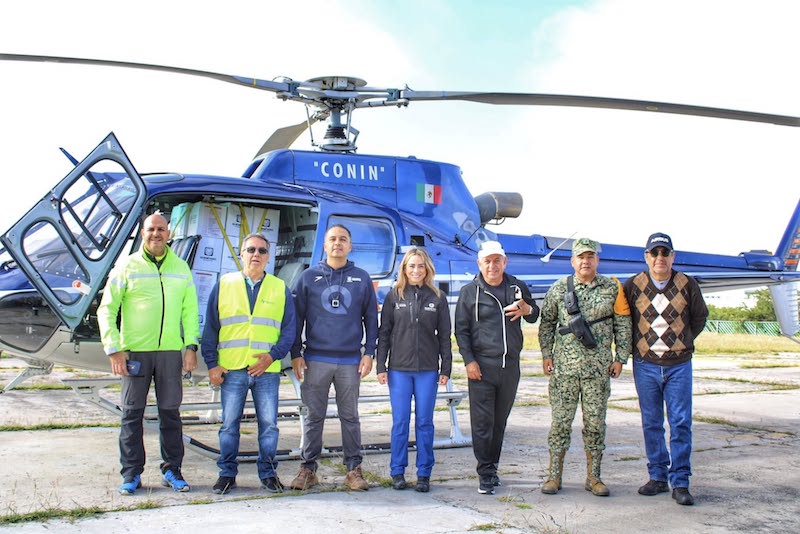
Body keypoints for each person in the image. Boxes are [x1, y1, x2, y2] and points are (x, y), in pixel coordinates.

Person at [97, 212, 200, 495]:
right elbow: (106, 309)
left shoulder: (181, 268)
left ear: (169, 234)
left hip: (169, 353)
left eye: (161, 229)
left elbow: (190, 311)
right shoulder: (126, 267)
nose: (156, 234)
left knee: (170, 413)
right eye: (151, 229)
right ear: (143, 233)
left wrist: (190, 346)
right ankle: (131, 474)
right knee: (132, 414)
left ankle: (172, 469)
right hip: (135, 354)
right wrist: (114, 349)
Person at [201, 233, 297, 495]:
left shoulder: (280, 287)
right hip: (232, 370)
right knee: (229, 426)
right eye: (251, 249)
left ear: (268, 256)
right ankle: (227, 474)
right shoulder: (225, 284)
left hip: (267, 371)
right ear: (241, 254)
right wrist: (212, 363)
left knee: (269, 427)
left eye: (262, 251)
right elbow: (210, 327)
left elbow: (289, 330)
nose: (256, 254)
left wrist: (272, 356)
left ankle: (268, 473)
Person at [538, 237, 631, 497]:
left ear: (597, 260)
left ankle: (594, 477)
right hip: (565, 372)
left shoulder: (612, 288)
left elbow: (622, 324)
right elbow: (546, 324)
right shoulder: (558, 289)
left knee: (595, 425)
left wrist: (620, 357)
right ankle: (554, 476)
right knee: (560, 423)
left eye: (590, 256)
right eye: (580, 257)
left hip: (598, 372)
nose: (585, 261)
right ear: (572, 261)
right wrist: (547, 355)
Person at [289, 224, 379, 491]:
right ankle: (308, 469)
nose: (337, 243)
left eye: (343, 239)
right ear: (324, 245)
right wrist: (296, 354)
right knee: (313, 416)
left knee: (350, 416)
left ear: (350, 246)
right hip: (316, 358)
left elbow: (371, 319)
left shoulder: (362, 278)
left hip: (350, 361)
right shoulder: (308, 277)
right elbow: (296, 319)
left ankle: (353, 470)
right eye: (332, 239)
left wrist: (369, 353)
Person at [623, 233, 708, 506]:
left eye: (665, 253)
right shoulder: (633, 285)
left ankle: (680, 481)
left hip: (678, 365)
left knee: (681, 423)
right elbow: (626, 320)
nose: (660, 258)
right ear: (646, 256)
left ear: (672, 256)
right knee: (652, 423)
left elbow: (699, 317)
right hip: (645, 364)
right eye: (654, 253)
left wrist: (682, 342)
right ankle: (657, 476)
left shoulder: (687, 284)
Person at [454, 240, 539, 495]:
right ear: (479, 264)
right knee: (482, 423)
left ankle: (493, 466)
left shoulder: (517, 287)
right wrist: (469, 361)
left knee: (499, 421)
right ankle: (485, 473)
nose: (492, 266)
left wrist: (527, 308)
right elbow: (461, 330)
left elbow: (533, 314)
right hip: (482, 367)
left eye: (497, 260)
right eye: (487, 261)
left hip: (509, 366)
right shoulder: (470, 292)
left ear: (505, 262)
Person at [376, 248, 452, 493]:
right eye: (412, 266)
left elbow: (445, 337)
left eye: (420, 266)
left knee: (424, 423)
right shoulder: (393, 296)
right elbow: (384, 334)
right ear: (404, 269)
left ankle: (424, 473)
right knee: (400, 422)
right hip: (398, 370)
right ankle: (397, 471)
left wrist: (446, 367)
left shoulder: (437, 297)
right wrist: (381, 366)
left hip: (428, 370)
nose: (416, 270)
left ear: (427, 268)